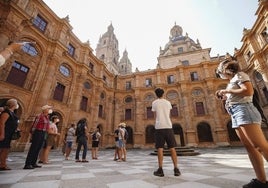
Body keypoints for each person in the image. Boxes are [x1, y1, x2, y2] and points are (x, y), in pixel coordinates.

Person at [215, 57, 268, 188]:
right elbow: (237, 94)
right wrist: (225, 98)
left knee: (260, 146)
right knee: (251, 148)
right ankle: (261, 181)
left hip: (245, 111)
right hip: (236, 113)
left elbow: (248, 91)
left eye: (219, 71)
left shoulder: (240, 75)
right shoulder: (231, 81)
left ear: (225, 69)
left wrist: (227, 91)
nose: (219, 74)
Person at [151, 88, 180, 177]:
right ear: (163, 94)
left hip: (159, 127)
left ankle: (160, 170)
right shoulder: (168, 103)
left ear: (156, 94)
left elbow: (155, 116)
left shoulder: (154, 103)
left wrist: (157, 122)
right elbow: (169, 114)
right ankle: (176, 169)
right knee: (172, 148)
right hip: (168, 126)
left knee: (160, 148)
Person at [23, 105, 53, 169]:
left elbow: (47, 127)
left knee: (38, 148)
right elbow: (34, 125)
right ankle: (28, 164)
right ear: (45, 109)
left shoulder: (47, 117)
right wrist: (32, 134)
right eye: (49, 108)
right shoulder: (40, 116)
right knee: (33, 148)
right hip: (38, 132)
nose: (50, 110)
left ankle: (33, 163)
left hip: (43, 133)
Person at [0, 99, 19, 170]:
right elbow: (2, 123)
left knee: (6, 149)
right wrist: (2, 134)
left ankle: (3, 164)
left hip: (9, 133)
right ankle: (2, 164)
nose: (17, 105)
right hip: (5, 132)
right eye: (16, 103)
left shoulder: (12, 112)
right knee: (2, 148)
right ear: (12, 104)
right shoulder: (6, 112)